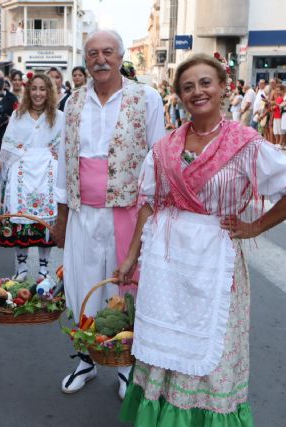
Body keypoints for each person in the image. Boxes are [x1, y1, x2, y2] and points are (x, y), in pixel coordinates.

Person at [116, 53, 286, 427]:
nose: (197, 92)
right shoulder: (166, 146)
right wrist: (131, 255)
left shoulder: (246, 143)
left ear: (223, 87)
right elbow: (149, 202)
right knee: (165, 347)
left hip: (215, 263)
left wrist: (255, 227)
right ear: (179, 96)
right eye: (187, 87)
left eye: (205, 83)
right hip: (166, 265)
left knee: (214, 351)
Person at [52, 29, 165, 398]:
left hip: (127, 211)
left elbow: (157, 158)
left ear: (120, 57)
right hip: (84, 212)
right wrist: (61, 214)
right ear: (85, 60)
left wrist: (155, 215)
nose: (100, 59)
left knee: (123, 288)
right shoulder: (73, 102)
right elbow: (66, 159)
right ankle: (86, 358)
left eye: (107, 52)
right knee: (82, 287)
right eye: (92, 53)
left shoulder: (146, 97)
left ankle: (125, 365)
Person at [0, 73, 64, 280]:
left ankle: (44, 268)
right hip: (21, 173)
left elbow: (66, 147)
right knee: (20, 219)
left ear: (49, 92)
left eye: (42, 89)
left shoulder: (59, 117)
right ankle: (21, 268)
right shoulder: (18, 116)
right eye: (34, 89)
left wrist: (59, 155)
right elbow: (7, 149)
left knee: (45, 220)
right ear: (28, 91)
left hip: (47, 174)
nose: (38, 93)